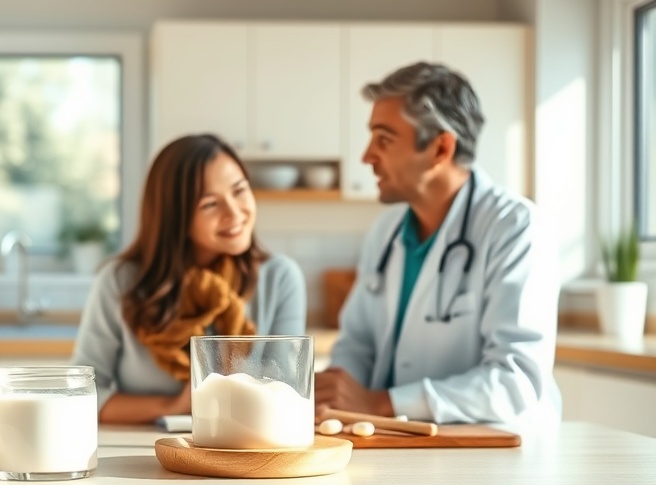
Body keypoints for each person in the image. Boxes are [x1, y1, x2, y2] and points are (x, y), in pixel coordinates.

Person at [315, 62, 561, 426]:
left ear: (440, 148)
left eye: (383, 139)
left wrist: (381, 402)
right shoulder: (386, 233)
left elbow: (516, 379)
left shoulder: (514, 227)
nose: (367, 156)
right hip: (401, 438)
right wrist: (338, 389)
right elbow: (358, 344)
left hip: (497, 451)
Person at [71, 134, 307, 425]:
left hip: (243, 448)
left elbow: (287, 394)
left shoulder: (279, 278)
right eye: (210, 204)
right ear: (175, 217)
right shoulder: (120, 282)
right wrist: (174, 404)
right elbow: (80, 395)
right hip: (141, 452)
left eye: (239, 191)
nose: (234, 213)